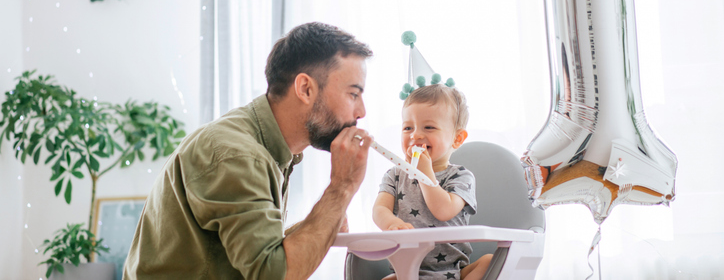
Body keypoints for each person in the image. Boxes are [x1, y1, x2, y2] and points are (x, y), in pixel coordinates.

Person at [124, 22, 374, 280]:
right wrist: (341, 187)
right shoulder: (237, 155)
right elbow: (274, 275)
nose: (361, 112)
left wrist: (324, 222)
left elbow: (252, 257)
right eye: (353, 94)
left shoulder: (266, 148)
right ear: (305, 89)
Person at [372, 84, 492, 280]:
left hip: (454, 272)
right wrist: (392, 223)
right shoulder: (394, 175)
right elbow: (379, 210)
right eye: (407, 127)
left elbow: (443, 211)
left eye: (428, 127)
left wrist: (424, 172)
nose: (415, 135)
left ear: (457, 138)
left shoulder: (461, 176)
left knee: (489, 262)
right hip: (407, 271)